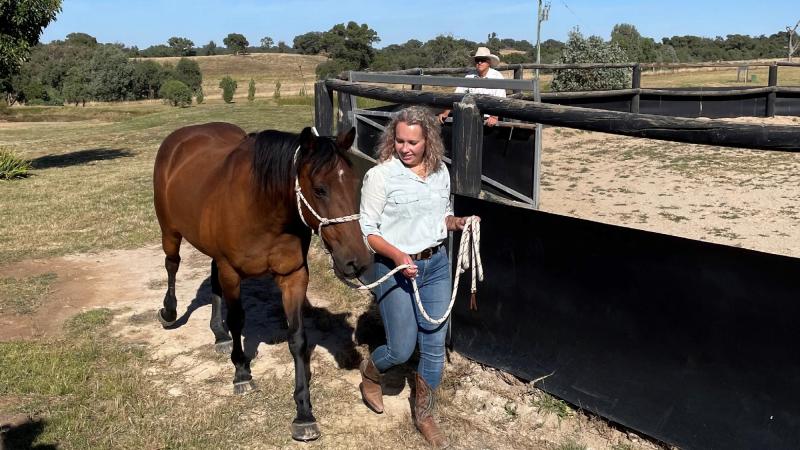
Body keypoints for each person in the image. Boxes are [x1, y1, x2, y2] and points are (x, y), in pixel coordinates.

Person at [358, 106, 479, 448]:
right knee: (400, 348)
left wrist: (457, 223)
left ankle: (424, 415)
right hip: (394, 268)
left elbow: (442, 217)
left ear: (428, 140)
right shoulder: (380, 176)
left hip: (436, 265)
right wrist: (399, 255)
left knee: (434, 346)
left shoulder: (441, 172)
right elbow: (368, 231)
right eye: (400, 141)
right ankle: (371, 371)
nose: (405, 148)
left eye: (413, 142)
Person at [437, 46, 507, 127]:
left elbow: (501, 99)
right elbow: (457, 95)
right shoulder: (469, 76)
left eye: (483, 60)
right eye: (477, 60)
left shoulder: (497, 77)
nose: (479, 62)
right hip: (470, 117)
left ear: (489, 62)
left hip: (489, 120)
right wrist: (446, 113)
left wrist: (494, 116)